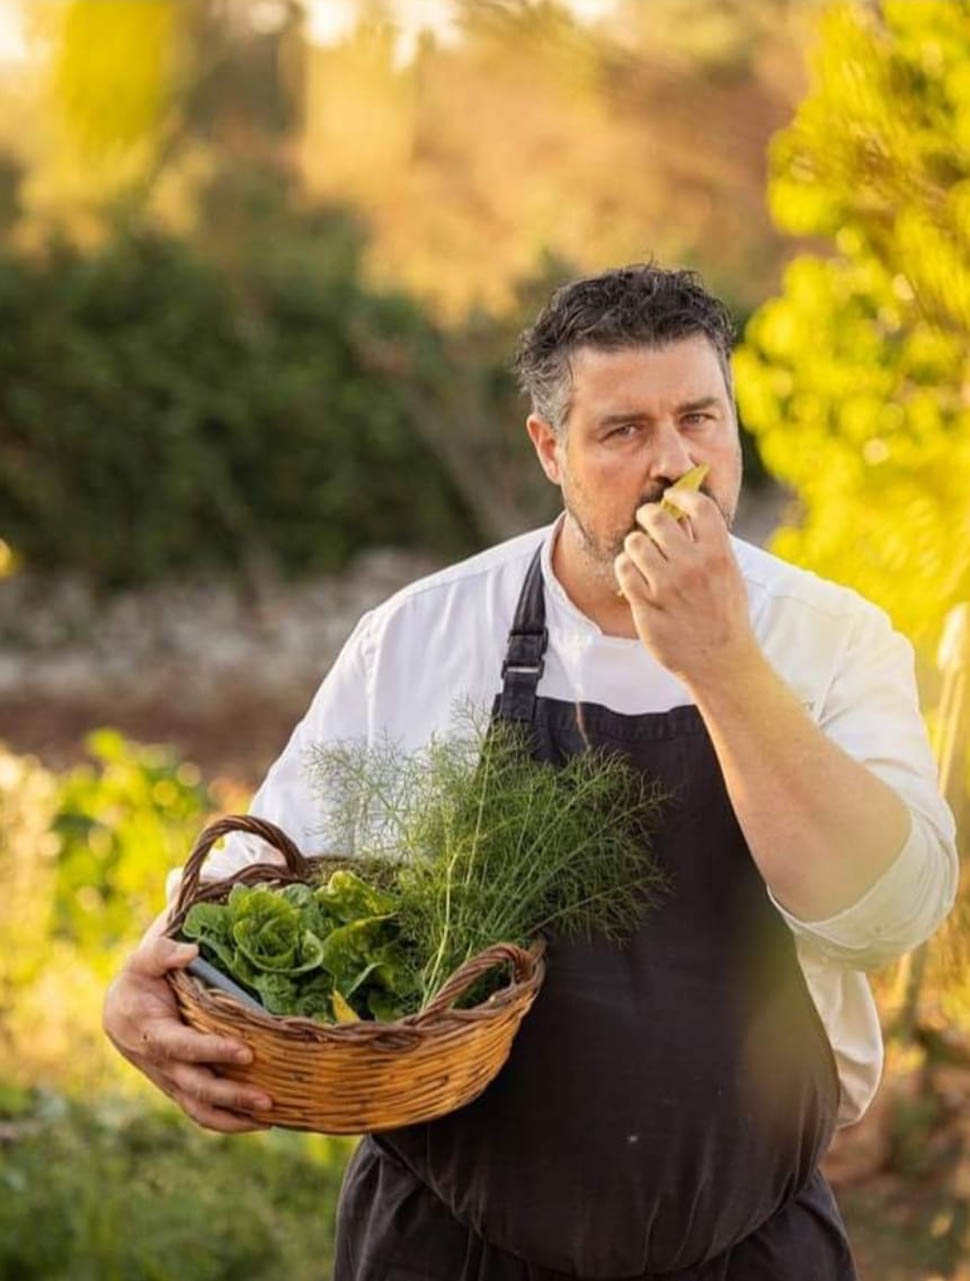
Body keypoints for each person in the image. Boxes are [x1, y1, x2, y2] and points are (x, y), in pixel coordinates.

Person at [103, 264, 957, 1280]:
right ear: (549, 448)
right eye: (622, 431)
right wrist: (146, 989)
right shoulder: (421, 636)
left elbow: (889, 916)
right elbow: (266, 891)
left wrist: (722, 663)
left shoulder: (832, 641)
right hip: (445, 1243)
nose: (673, 463)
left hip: (748, 1241)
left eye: (699, 417)